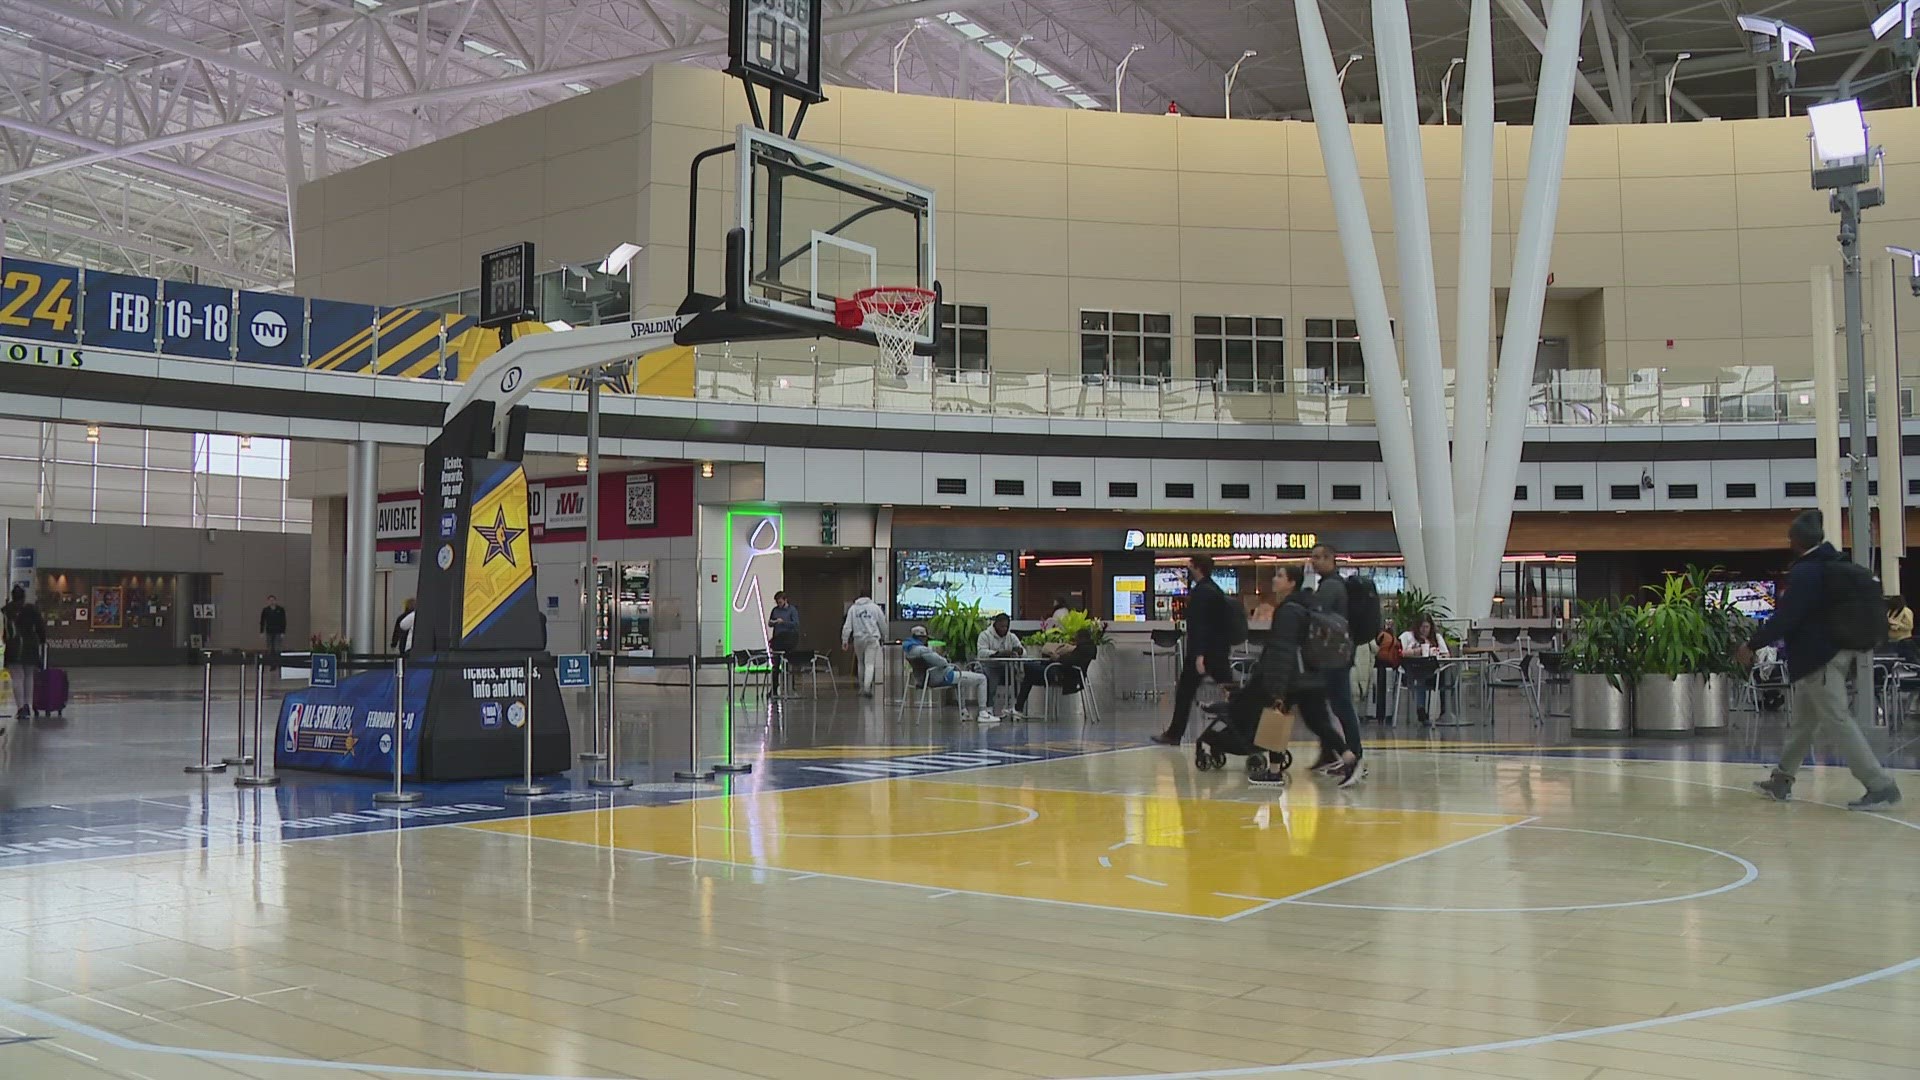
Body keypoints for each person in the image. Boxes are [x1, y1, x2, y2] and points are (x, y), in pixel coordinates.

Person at [1738, 510, 1902, 811]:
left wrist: (1752, 643)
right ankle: (1782, 779)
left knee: (1837, 719)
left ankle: (1879, 785)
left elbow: (1788, 616)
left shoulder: (1806, 572)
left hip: (1819, 659)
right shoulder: (1833, 564)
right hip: (1832, 653)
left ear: (1796, 541)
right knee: (1803, 723)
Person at [1238, 563, 1359, 787]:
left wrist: (1277, 687)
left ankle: (1274, 773)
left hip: (1294, 676)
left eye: (1280, 575)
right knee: (1317, 722)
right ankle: (1349, 758)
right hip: (1312, 673)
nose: (1275, 579)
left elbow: (1283, 649)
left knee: (1276, 717)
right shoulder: (1309, 605)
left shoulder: (1288, 610)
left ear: (1292, 582)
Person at [1153, 555, 1234, 745]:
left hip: (1204, 653)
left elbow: (1199, 626)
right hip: (1217, 651)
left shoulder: (1201, 593)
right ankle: (1242, 727)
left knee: (1185, 692)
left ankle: (1174, 734)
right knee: (1230, 690)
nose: (1187, 569)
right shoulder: (1215, 589)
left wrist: (1198, 655)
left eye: (1190, 566)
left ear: (1197, 568)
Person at [1306, 543, 1364, 776]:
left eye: (1320, 557)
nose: (1314, 561)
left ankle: (1353, 753)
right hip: (1335, 654)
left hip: (1334, 656)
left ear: (1332, 559)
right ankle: (1331, 751)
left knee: (1341, 706)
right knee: (1331, 706)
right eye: (1313, 557)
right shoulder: (1333, 584)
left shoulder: (1330, 586)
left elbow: (1315, 612)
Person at [902, 625, 992, 721]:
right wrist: (948, 662)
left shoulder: (909, 650)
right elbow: (942, 662)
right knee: (982, 678)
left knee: (960, 682)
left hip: (924, 680)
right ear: (922, 638)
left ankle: (964, 712)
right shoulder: (922, 650)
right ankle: (983, 713)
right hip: (941, 677)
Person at [1011, 626, 1098, 718]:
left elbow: (1071, 662)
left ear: (1081, 638)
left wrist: (1058, 658)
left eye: (1076, 638)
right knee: (1029, 677)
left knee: (1028, 666)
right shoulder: (1087, 648)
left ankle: (1018, 707)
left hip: (1064, 677)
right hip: (1066, 674)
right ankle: (1018, 708)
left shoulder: (1083, 649)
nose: (1074, 640)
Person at [3, 583, 47, 727]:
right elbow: (40, 627)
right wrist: (42, 640)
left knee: (17, 677)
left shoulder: (6, 610)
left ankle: (21, 707)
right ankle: (27, 705)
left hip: (14, 646)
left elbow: (5, 631)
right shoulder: (31, 609)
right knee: (29, 676)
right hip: (31, 646)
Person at [1399, 615, 1450, 724]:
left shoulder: (1436, 638)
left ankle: (1441, 710)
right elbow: (1400, 653)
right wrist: (1416, 651)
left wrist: (1437, 653)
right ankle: (1421, 708)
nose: (1424, 630)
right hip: (1410, 671)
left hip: (1432, 671)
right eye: (1422, 627)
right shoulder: (1408, 636)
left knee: (1442, 675)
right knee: (1420, 677)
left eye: (1427, 627)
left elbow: (1446, 654)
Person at [839, 590, 888, 696]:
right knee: (869, 664)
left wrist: (845, 640)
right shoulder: (875, 608)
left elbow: (847, 626)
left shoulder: (853, 608)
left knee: (860, 663)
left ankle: (861, 688)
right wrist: (885, 636)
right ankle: (867, 688)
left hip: (858, 639)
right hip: (872, 638)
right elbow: (882, 623)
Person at [976, 613, 1026, 712]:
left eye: (1006, 626)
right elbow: (981, 653)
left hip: (1007, 667)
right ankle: (988, 708)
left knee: (1019, 677)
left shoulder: (1011, 636)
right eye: (1002, 626)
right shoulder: (985, 635)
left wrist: (1019, 651)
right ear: (995, 624)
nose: (1004, 629)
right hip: (988, 666)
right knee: (992, 676)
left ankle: (1015, 706)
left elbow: (1024, 652)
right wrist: (998, 653)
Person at [767, 591, 800, 692]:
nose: (779, 604)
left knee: (789, 665)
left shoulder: (792, 610)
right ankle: (774, 689)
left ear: (785, 600)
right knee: (775, 665)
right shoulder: (775, 610)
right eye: (777, 603)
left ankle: (790, 687)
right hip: (778, 639)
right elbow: (770, 622)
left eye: (780, 602)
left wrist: (784, 622)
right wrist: (773, 622)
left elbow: (796, 624)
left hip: (789, 639)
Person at [1373, 624, 1401, 724]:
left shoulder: (1382, 636)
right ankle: (1385, 715)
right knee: (1386, 690)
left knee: (1380, 690)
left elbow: (1375, 648)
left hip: (1380, 662)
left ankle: (1379, 715)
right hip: (1391, 664)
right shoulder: (1394, 638)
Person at [259, 594, 287, 660]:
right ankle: (271, 662)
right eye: (270, 600)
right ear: (268, 601)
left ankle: (277, 661)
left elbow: (283, 621)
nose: (272, 602)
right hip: (269, 631)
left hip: (278, 631)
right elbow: (262, 621)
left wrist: (283, 632)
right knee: (269, 647)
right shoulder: (265, 610)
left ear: (275, 601)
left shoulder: (280, 609)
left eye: (273, 600)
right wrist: (261, 631)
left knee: (277, 647)